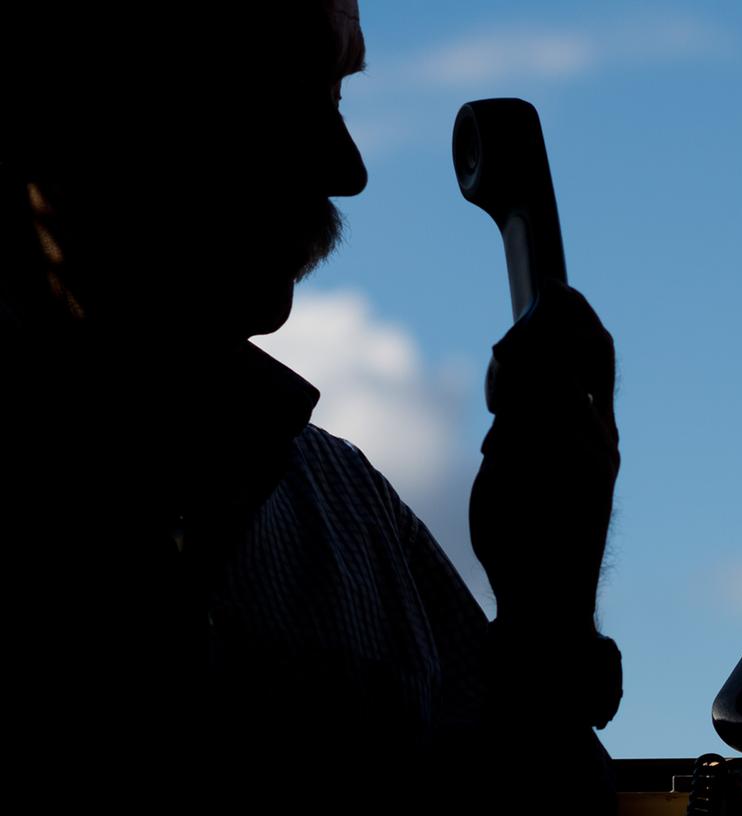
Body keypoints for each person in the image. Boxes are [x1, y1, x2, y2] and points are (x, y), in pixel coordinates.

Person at [1, 1, 622, 806]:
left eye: (335, 96)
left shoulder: (347, 508)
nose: (346, 166)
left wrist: (547, 617)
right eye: (284, 88)